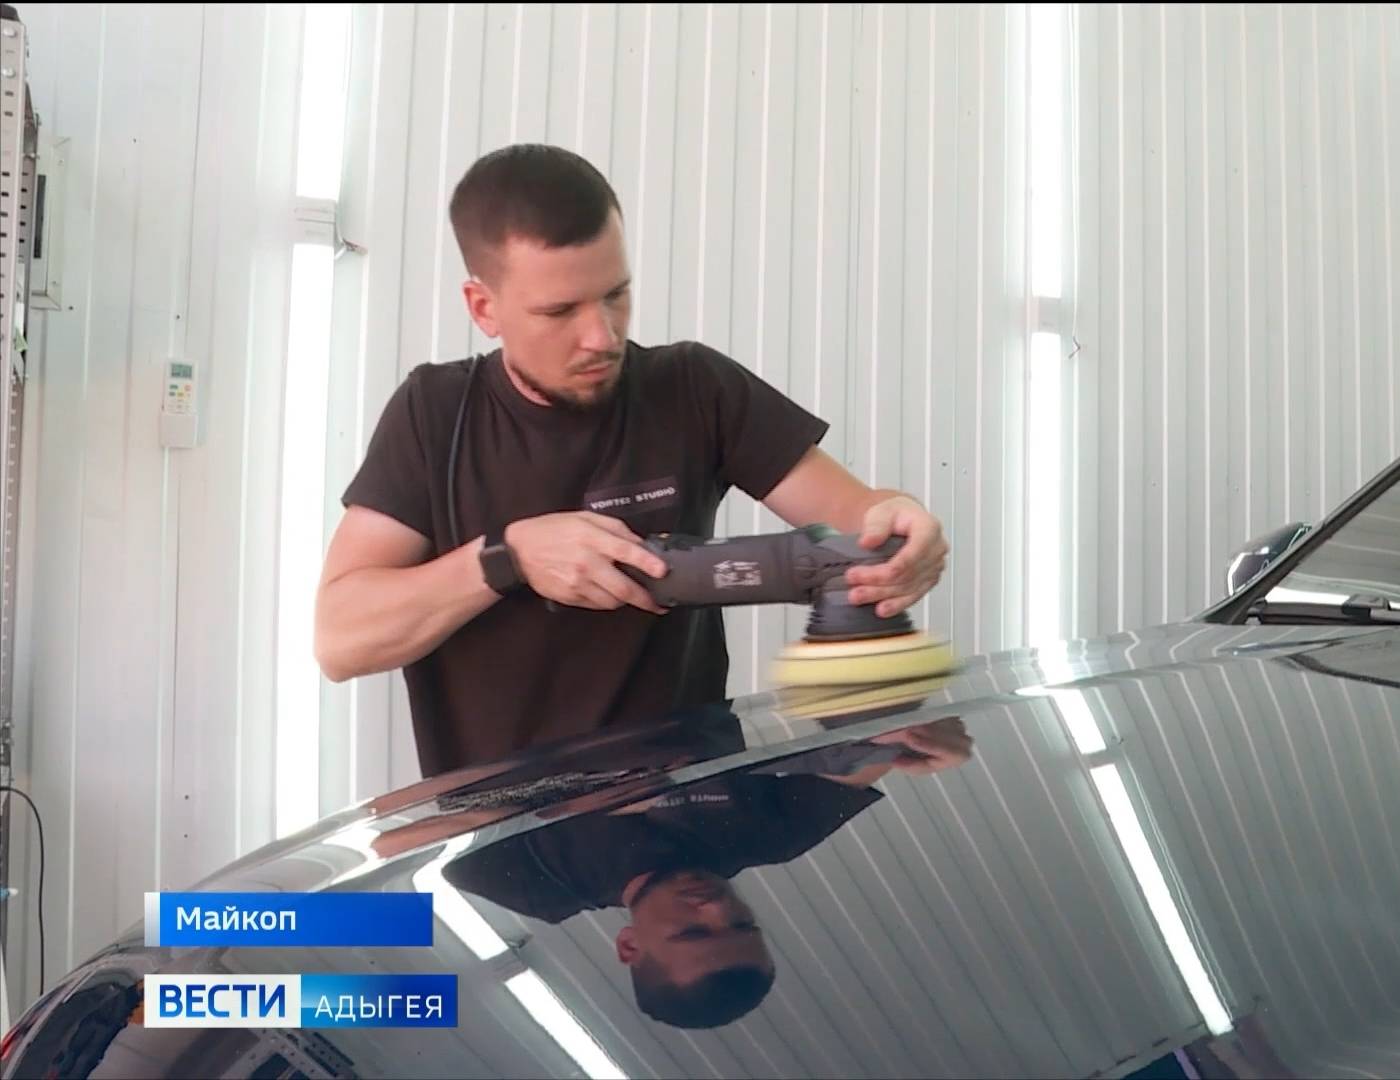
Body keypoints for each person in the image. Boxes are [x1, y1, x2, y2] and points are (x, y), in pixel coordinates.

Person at [314, 144, 950, 777]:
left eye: (616, 295)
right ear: (484, 307)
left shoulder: (695, 387)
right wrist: (509, 558)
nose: (603, 336)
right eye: (560, 311)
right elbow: (340, 641)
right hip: (512, 828)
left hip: (691, 810)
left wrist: (902, 522)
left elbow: (859, 517)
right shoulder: (434, 414)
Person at [442, 716, 975, 1029]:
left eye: (693, 932)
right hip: (657, 611)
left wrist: (583, 799)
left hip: (497, 657)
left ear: (629, 946)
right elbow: (876, 745)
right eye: (743, 924)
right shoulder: (773, 835)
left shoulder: (533, 886)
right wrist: (922, 735)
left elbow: (412, 828)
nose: (718, 906)